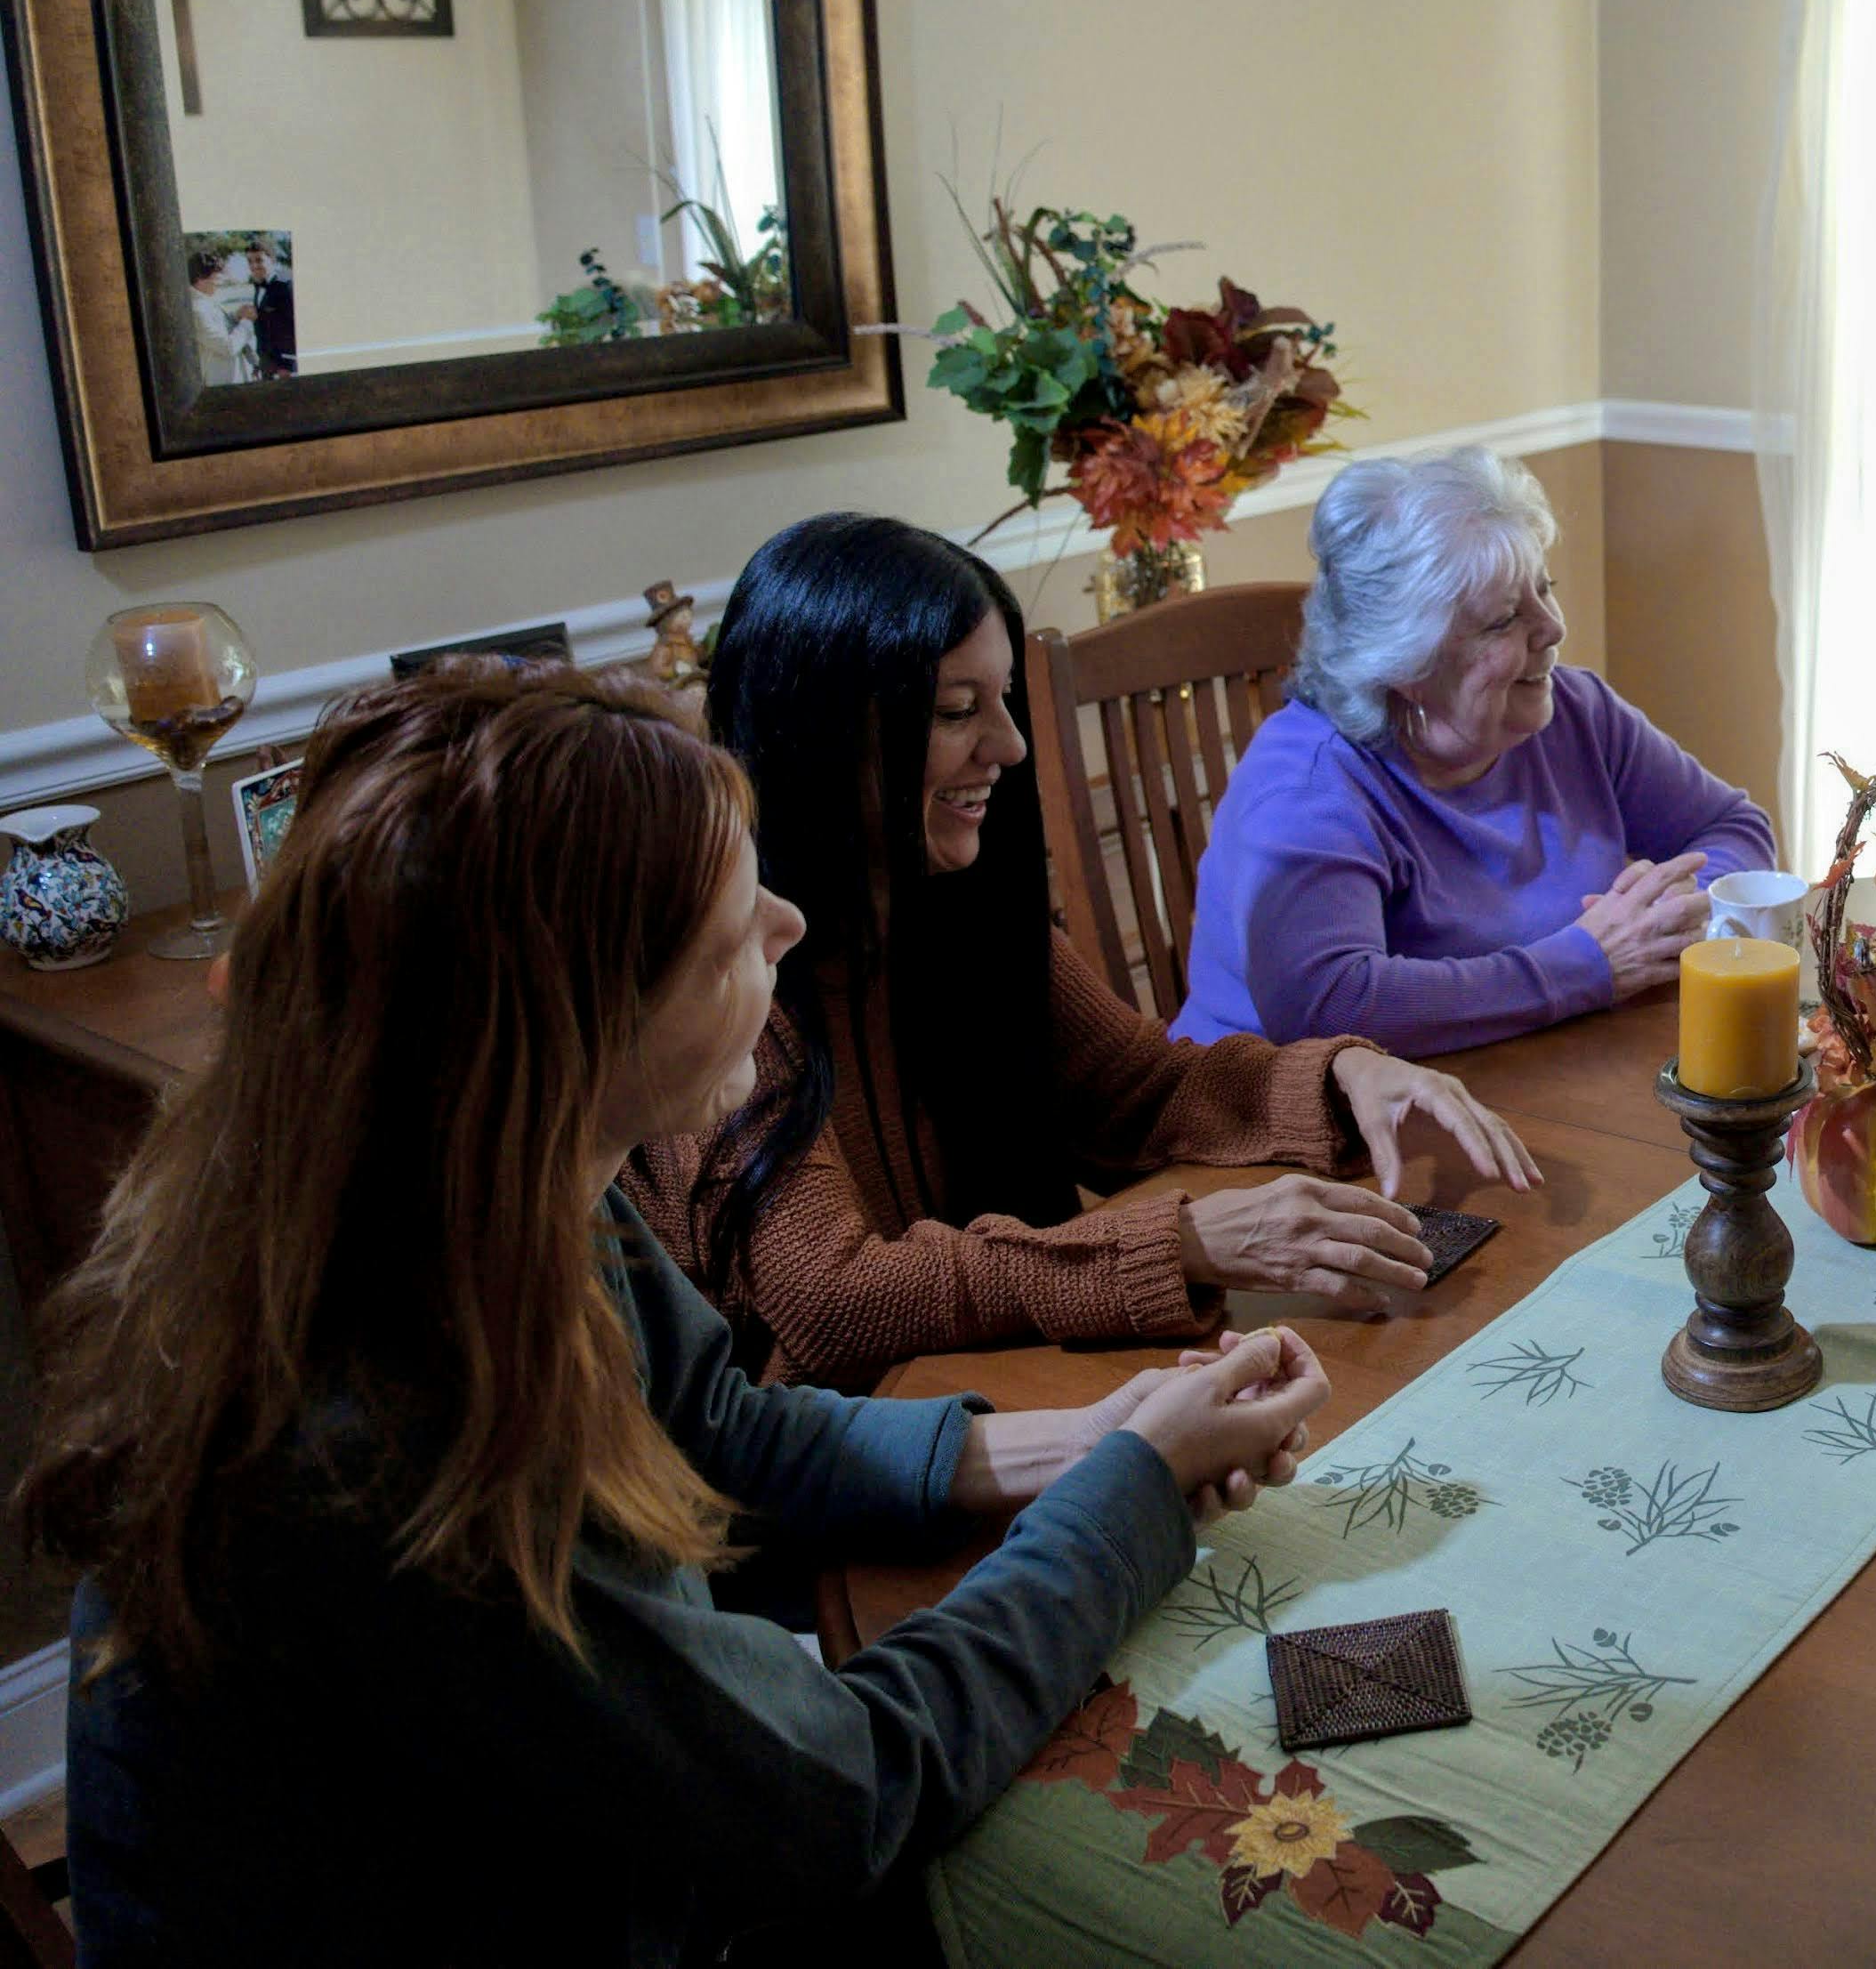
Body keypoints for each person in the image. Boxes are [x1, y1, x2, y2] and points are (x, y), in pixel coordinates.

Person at [28, 665, 1335, 1961]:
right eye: (728, 927)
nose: (787, 925)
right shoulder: (389, 1441)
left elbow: (713, 1421)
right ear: (570, 1018)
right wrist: (1131, 1500)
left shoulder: (489, 1178)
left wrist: (1089, 1443)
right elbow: (848, 1790)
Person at [624, 513, 1536, 1394]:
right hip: (833, 1481)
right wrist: (1180, 1244)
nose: (1011, 746)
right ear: (821, 734)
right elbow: (833, 1297)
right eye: (956, 711)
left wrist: (1342, 1078)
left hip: (991, 1392)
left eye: (1007, 700)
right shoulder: (727, 983)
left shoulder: (961, 909)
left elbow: (1136, 1089)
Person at [1171, 447, 1775, 1052]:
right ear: (1406, 663)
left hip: (1528, 1074)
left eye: (1546, 589)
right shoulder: (1310, 786)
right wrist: (1587, 964)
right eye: (1504, 619)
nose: (1553, 628)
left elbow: (1733, 826)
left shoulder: (1576, 711)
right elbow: (1329, 1003)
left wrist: (1675, 910)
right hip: (1275, 1120)